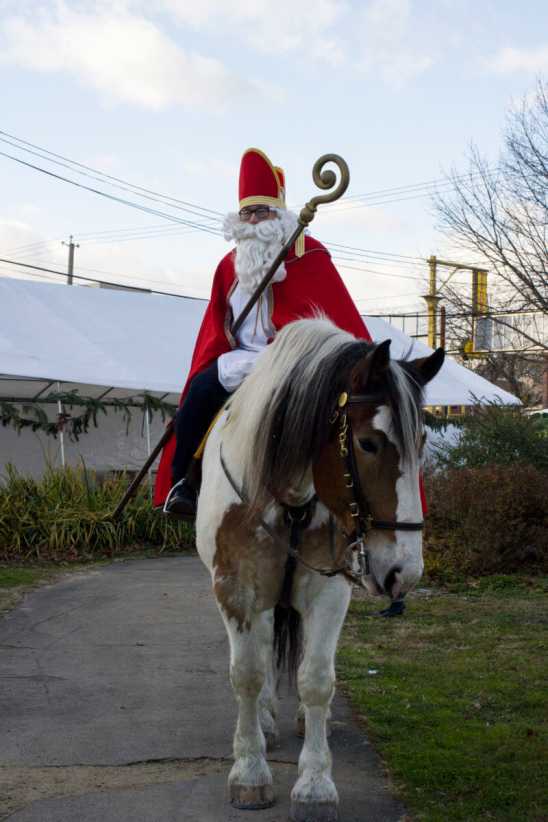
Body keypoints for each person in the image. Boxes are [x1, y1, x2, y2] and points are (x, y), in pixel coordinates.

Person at [154, 147, 372, 517]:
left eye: (262, 211)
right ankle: (184, 485)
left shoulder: (307, 255)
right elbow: (216, 324)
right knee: (198, 395)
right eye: (247, 213)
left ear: (279, 214)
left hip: (289, 361)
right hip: (238, 360)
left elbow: (333, 319)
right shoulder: (228, 266)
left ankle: (332, 489)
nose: (254, 220)